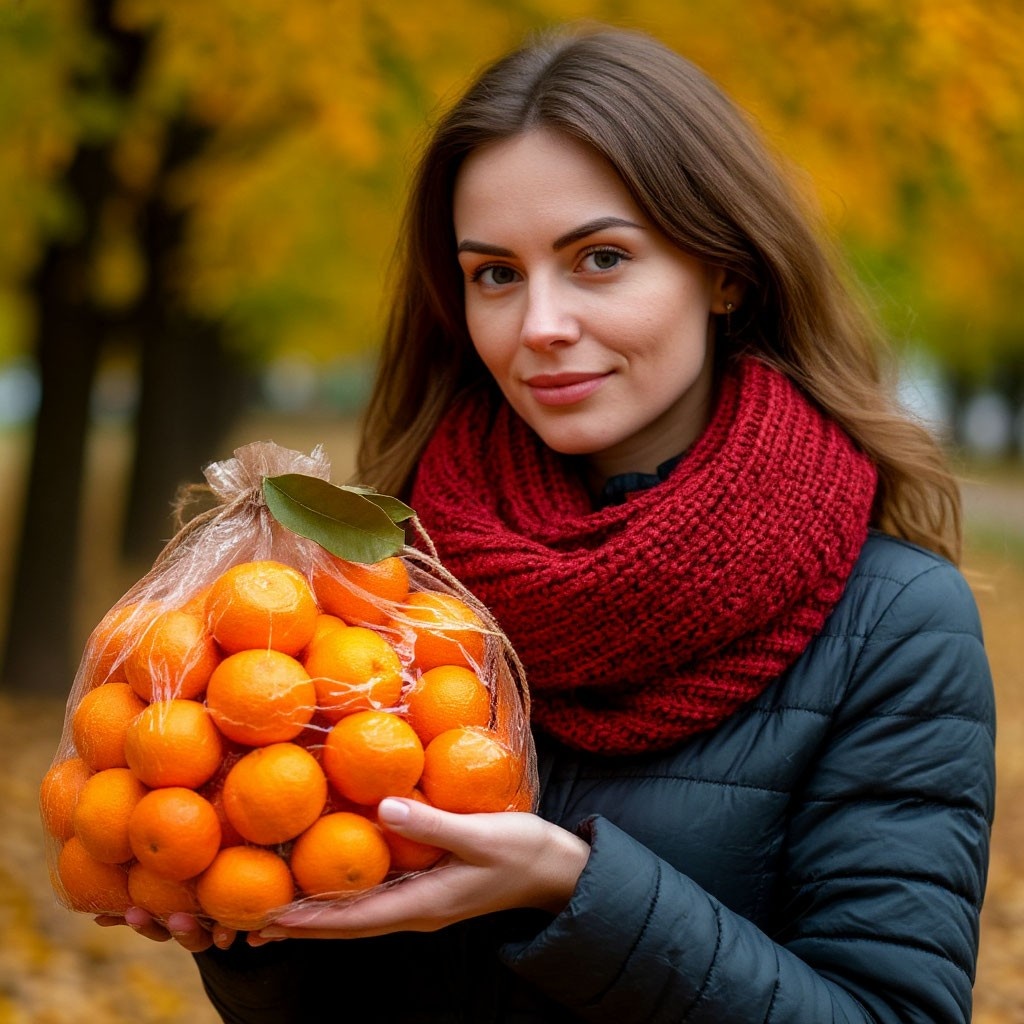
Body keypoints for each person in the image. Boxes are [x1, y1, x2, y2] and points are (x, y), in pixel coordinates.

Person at [109, 23, 996, 1023]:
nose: (538, 325)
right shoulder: (382, 584)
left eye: (600, 258)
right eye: (494, 273)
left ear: (725, 270)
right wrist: (246, 922)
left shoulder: (894, 621)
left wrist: (574, 893)